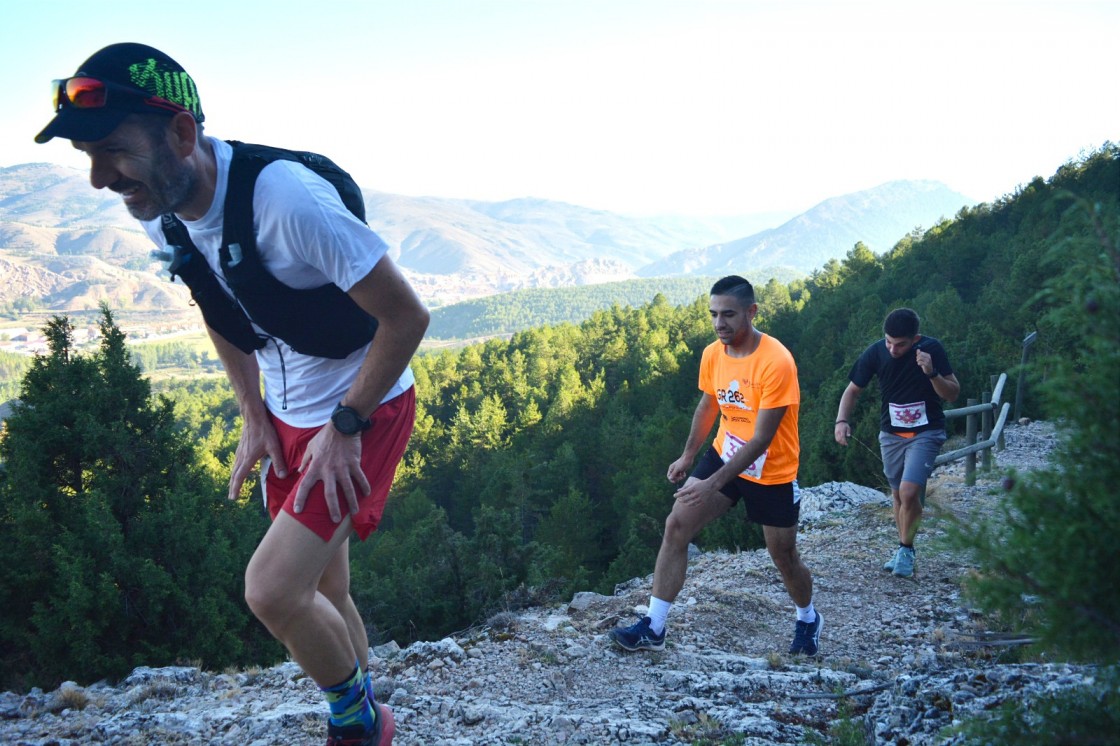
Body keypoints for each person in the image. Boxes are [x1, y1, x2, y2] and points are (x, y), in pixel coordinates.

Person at [35, 43, 428, 746]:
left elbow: (406, 317)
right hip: (290, 413)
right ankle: (366, 701)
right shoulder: (164, 212)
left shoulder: (285, 201)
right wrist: (253, 414)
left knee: (273, 591)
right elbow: (220, 312)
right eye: (88, 158)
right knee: (324, 591)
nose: (98, 179)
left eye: (112, 152)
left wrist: (345, 424)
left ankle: (360, 722)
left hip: (362, 406)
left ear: (181, 134)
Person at [609, 276, 821, 656]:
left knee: (784, 556)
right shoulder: (713, 353)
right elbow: (710, 405)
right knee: (676, 524)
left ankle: (807, 618)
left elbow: (761, 439)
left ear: (751, 312)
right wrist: (689, 456)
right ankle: (654, 626)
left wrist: (711, 484)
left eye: (728, 314)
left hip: (771, 470)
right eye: (713, 315)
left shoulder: (776, 361)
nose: (720, 323)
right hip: (725, 453)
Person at [834, 308, 960, 579]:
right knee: (897, 495)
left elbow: (952, 394)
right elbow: (853, 390)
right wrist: (841, 421)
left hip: (927, 432)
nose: (892, 348)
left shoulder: (932, 349)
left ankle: (905, 548)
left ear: (916, 339)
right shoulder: (876, 352)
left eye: (900, 344)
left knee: (909, 492)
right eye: (889, 341)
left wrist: (932, 372)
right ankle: (904, 548)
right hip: (891, 435)